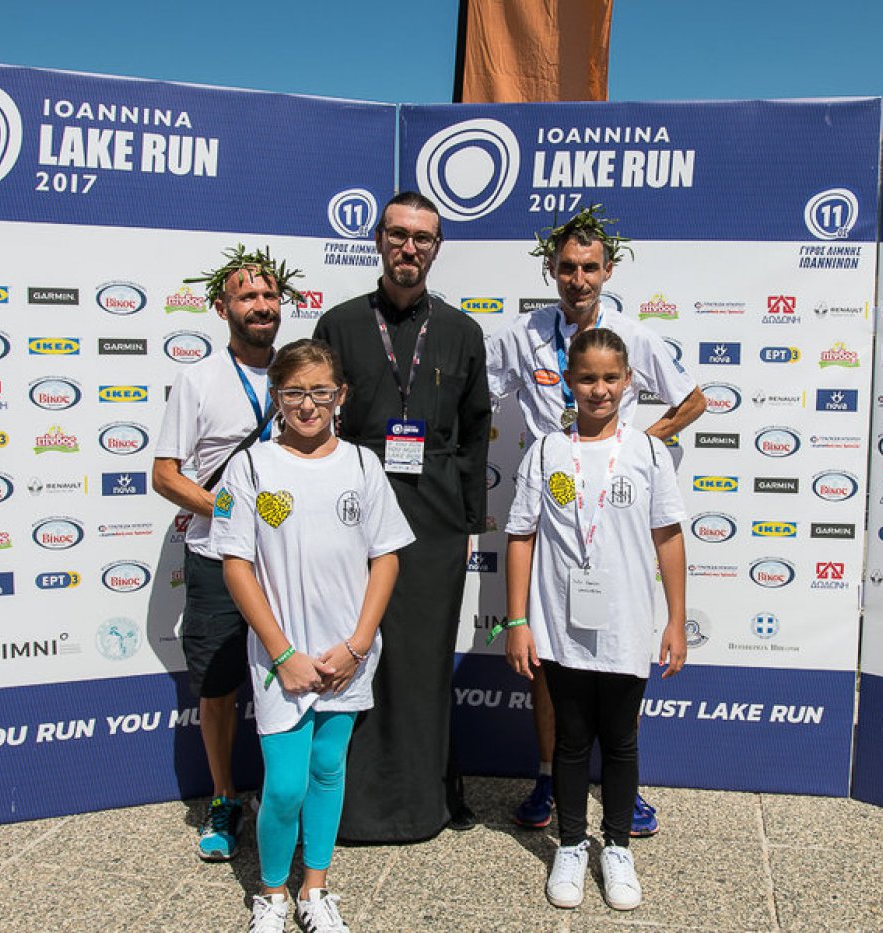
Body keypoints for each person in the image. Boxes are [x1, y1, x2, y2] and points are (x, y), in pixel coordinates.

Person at [486, 205, 705, 836]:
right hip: (552, 502)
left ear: (607, 271)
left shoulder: (632, 335)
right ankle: (548, 776)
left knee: (620, 654)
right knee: (549, 657)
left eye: (589, 268)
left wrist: (635, 446)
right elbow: (479, 393)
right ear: (551, 270)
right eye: (567, 268)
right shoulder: (522, 333)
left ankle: (619, 787)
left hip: (614, 507)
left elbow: (694, 400)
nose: (578, 279)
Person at [211, 339, 414, 933]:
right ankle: (272, 894)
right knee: (284, 786)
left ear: (340, 395)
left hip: (346, 655)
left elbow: (386, 557)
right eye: (294, 392)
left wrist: (357, 646)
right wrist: (283, 654)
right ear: (276, 396)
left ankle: (315, 890)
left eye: (320, 391)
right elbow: (236, 566)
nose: (307, 405)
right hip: (284, 661)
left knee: (328, 769)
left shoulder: (362, 465)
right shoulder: (250, 468)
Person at [312, 191, 492, 842]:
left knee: (423, 655)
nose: (408, 248)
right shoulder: (338, 324)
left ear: (437, 248)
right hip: (355, 506)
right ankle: (349, 802)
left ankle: (429, 796)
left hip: (435, 514)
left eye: (422, 238)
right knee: (357, 647)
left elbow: (475, 432)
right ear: (379, 240)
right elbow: (313, 421)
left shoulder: (463, 332)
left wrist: (468, 522)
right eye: (397, 234)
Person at [502, 327, 688, 911]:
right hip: (561, 626)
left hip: (626, 624)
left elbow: (669, 537)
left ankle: (617, 847)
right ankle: (571, 845)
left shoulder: (647, 452)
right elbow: (520, 537)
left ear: (628, 382)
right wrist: (516, 621)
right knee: (572, 739)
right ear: (568, 382)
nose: (599, 389)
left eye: (610, 378)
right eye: (587, 378)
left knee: (622, 740)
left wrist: (676, 620)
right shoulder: (545, 451)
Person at [154, 245, 302, 861]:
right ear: (223, 307)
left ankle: (283, 796)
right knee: (217, 688)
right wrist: (226, 508)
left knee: (291, 679)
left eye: (269, 296)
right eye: (248, 296)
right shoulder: (198, 379)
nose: (261, 306)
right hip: (217, 557)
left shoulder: (299, 373)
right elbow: (165, 475)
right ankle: (223, 797)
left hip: (286, 561)